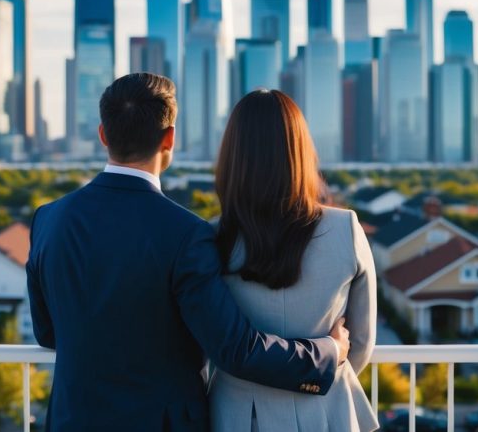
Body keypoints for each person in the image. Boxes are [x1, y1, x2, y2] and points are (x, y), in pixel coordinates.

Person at [26, 74, 350, 431]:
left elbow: (47, 333)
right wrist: (327, 352)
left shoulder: (48, 219)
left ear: (103, 135)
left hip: (72, 420)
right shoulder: (186, 234)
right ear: (170, 138)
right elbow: (235, 349)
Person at [208, 90, 379, 432]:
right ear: (301, 152)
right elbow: (361, 342)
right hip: (329, 412)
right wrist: (323, 374)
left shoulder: (210, 238)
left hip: (237, 415)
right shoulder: (345, 227)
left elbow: (207, 344)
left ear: (233, 156)